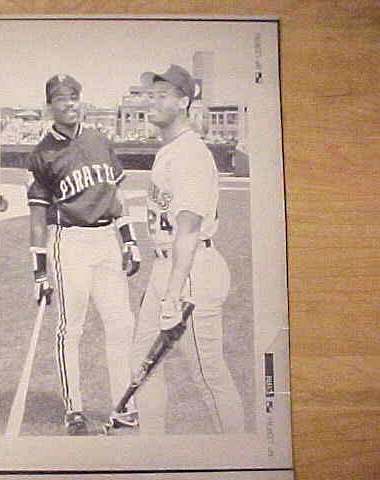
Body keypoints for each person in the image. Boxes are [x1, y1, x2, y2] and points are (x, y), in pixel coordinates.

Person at [131, 64, 244, 434]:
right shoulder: (169, 150)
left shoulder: (190, 154)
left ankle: (242, 458)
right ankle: (151, 452)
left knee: (208, 373)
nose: (152, 101)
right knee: (141, 366)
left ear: (183, 102)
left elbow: (189, 230)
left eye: (162, 95)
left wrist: (171, 295)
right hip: (170, 268)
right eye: (151, 94)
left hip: (191, 271)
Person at [26, 74, 140, 435]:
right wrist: (39, 272)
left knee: (121, 325)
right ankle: (73, 409)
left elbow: (116, 198)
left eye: (74, 97)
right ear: (50, 107)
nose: (69, 104)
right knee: (70, 329)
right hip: (69, 242)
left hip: (106, 239)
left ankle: (123, 406)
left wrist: (130, 240)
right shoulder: (42, 153)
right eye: (61, 99)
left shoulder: (101, 141)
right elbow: (37, 218)